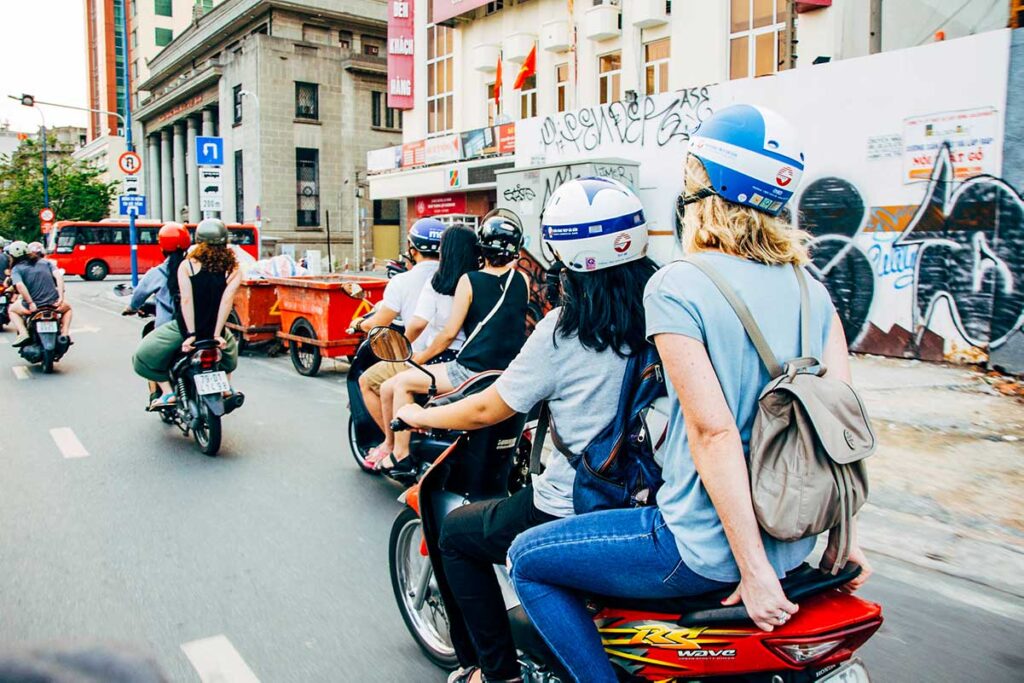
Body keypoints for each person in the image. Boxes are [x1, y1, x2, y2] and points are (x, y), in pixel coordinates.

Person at [505, 105, 873, 683]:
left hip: (697, 545)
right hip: (796, 542)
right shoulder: (812, 290)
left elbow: (713, 432)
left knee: (528, 557)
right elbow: (839, 428)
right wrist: (841, 539)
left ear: (708, 188)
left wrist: (752, 572)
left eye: (691, 175)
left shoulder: (681, 285)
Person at [395, 178, 657, 683]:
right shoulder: (667, 310)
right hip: (651, 497)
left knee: (456, 534)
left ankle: (496, 674)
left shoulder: (564, 327)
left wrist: (418, 416)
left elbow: (483, 411)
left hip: (571, 501)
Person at [378, 209, 528, 475]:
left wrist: (417, 360)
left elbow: (448, 334)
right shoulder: (522, 280)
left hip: (469, 371)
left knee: (402, 382)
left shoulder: (469, 281)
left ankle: (400, 455)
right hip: (506, 372)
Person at [368, 224, 480, 467]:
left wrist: (405, 350)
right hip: (474, 356)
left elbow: (422, 325)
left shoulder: (439, 282)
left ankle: (398, 452)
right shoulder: (479, 280)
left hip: (443, 358)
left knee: (391, 387)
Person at [350, 217, 443, 449]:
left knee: (367, 381)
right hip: (450, 355)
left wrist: (360, 324)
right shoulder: (458, 277)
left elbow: (380, 322)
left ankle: (390, 444)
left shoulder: (402, 281)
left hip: (419, 356)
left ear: (412, 250)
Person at [132, 219, 241, 409]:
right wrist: (217, 334)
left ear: (198, 241)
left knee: (141, 357)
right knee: (229, 358)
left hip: (182, 329)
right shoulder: (234, 269)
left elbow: (186, 301)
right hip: (216, 331)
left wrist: (190, 335)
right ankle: (226, 388)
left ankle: (168, 393)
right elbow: (226, 302)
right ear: (225, 241)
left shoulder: (187, 266)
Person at [123, 223, 191, 327]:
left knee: (145, 344)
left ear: (162, 247)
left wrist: (132, 307)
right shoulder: (195, 269)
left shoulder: (157, 272)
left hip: (167, 328)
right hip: (198, 329)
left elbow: (139, 293)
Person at [9, 240, 73, 346]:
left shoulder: (16, 269)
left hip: (33, 307)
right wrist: (61, 297)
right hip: (53, 303)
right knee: (68, 309)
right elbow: (58, 277)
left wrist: (30, 303)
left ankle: (24, 333)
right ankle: (65, 334)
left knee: (12, 310)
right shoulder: (46, 262)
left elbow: (20, 286)